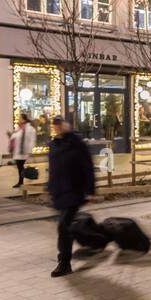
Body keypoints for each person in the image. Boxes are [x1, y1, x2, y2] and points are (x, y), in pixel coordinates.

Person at [47, 116, 96, 278]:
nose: (57, 127)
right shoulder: (53, 145)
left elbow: (88, 168)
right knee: (68, 226)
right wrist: (49, 188)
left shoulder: (77, 144)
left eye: (60, 124)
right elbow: (53, 169)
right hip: (59, 192)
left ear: (68, 125)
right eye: (55, 125)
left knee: (63, 226)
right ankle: (96, 239)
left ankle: (64, 263)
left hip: (74, 191)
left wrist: (90, 190)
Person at [8, 114, 38, 188]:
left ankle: (22, 181)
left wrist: (30, 150)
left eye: (20, 118)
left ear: (24, 120)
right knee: (20, 167)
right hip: (18, 151)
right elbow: (15, 137)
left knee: (20, 167)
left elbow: (32, 140)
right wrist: (10, 135)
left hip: (24, 151)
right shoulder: (19, 128)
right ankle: (22, 181)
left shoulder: (30, 129)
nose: (18, 119)